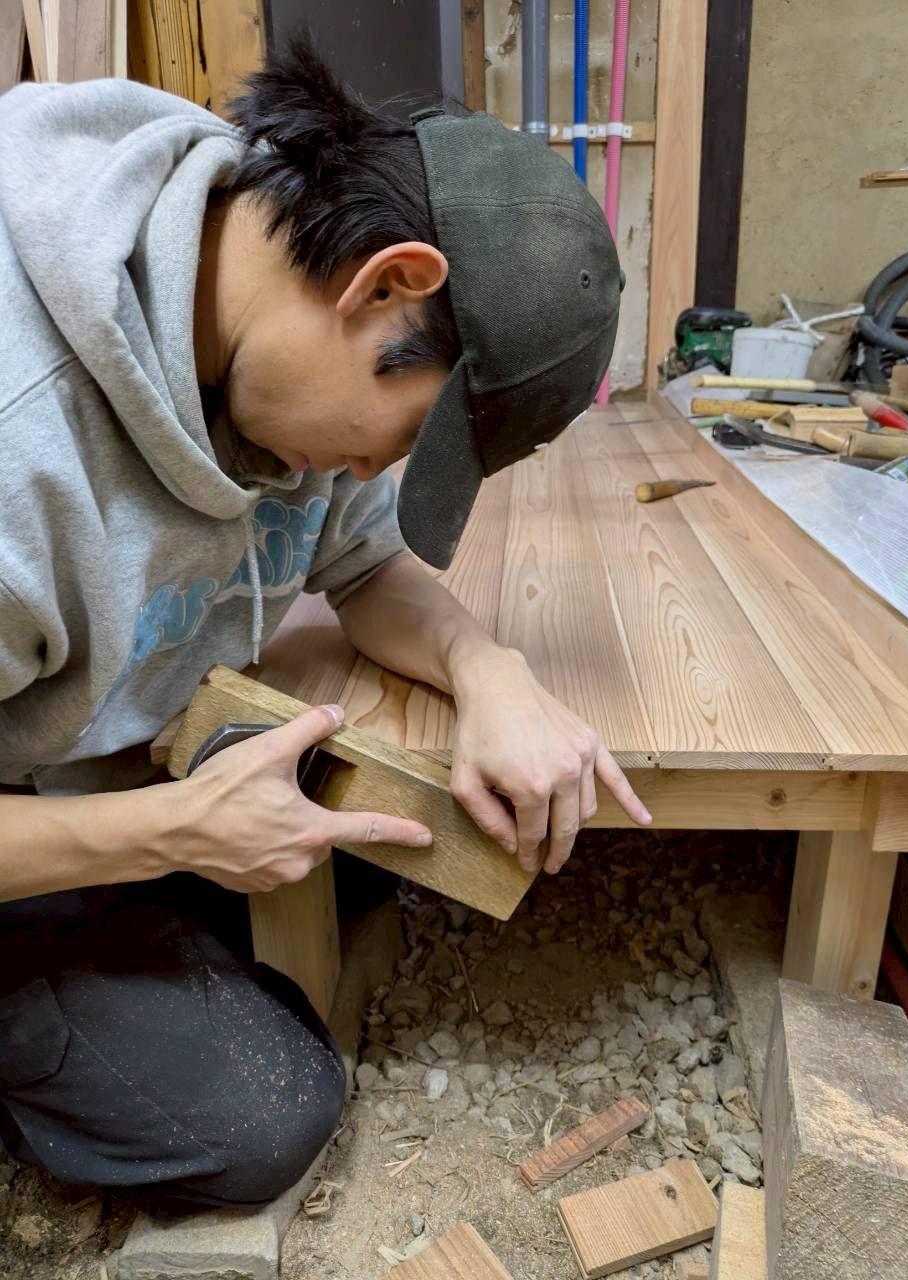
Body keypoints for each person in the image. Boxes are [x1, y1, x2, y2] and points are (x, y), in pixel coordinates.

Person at [0, 37, 651, 1209]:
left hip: (84, 771)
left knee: (358, 865)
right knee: (263, 1117)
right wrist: (169, 832)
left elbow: (364, 563)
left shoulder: (268, 303)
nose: (364, 474)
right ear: (385, 282)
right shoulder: (19, 440)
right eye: (397, 438)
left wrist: (487, 666)